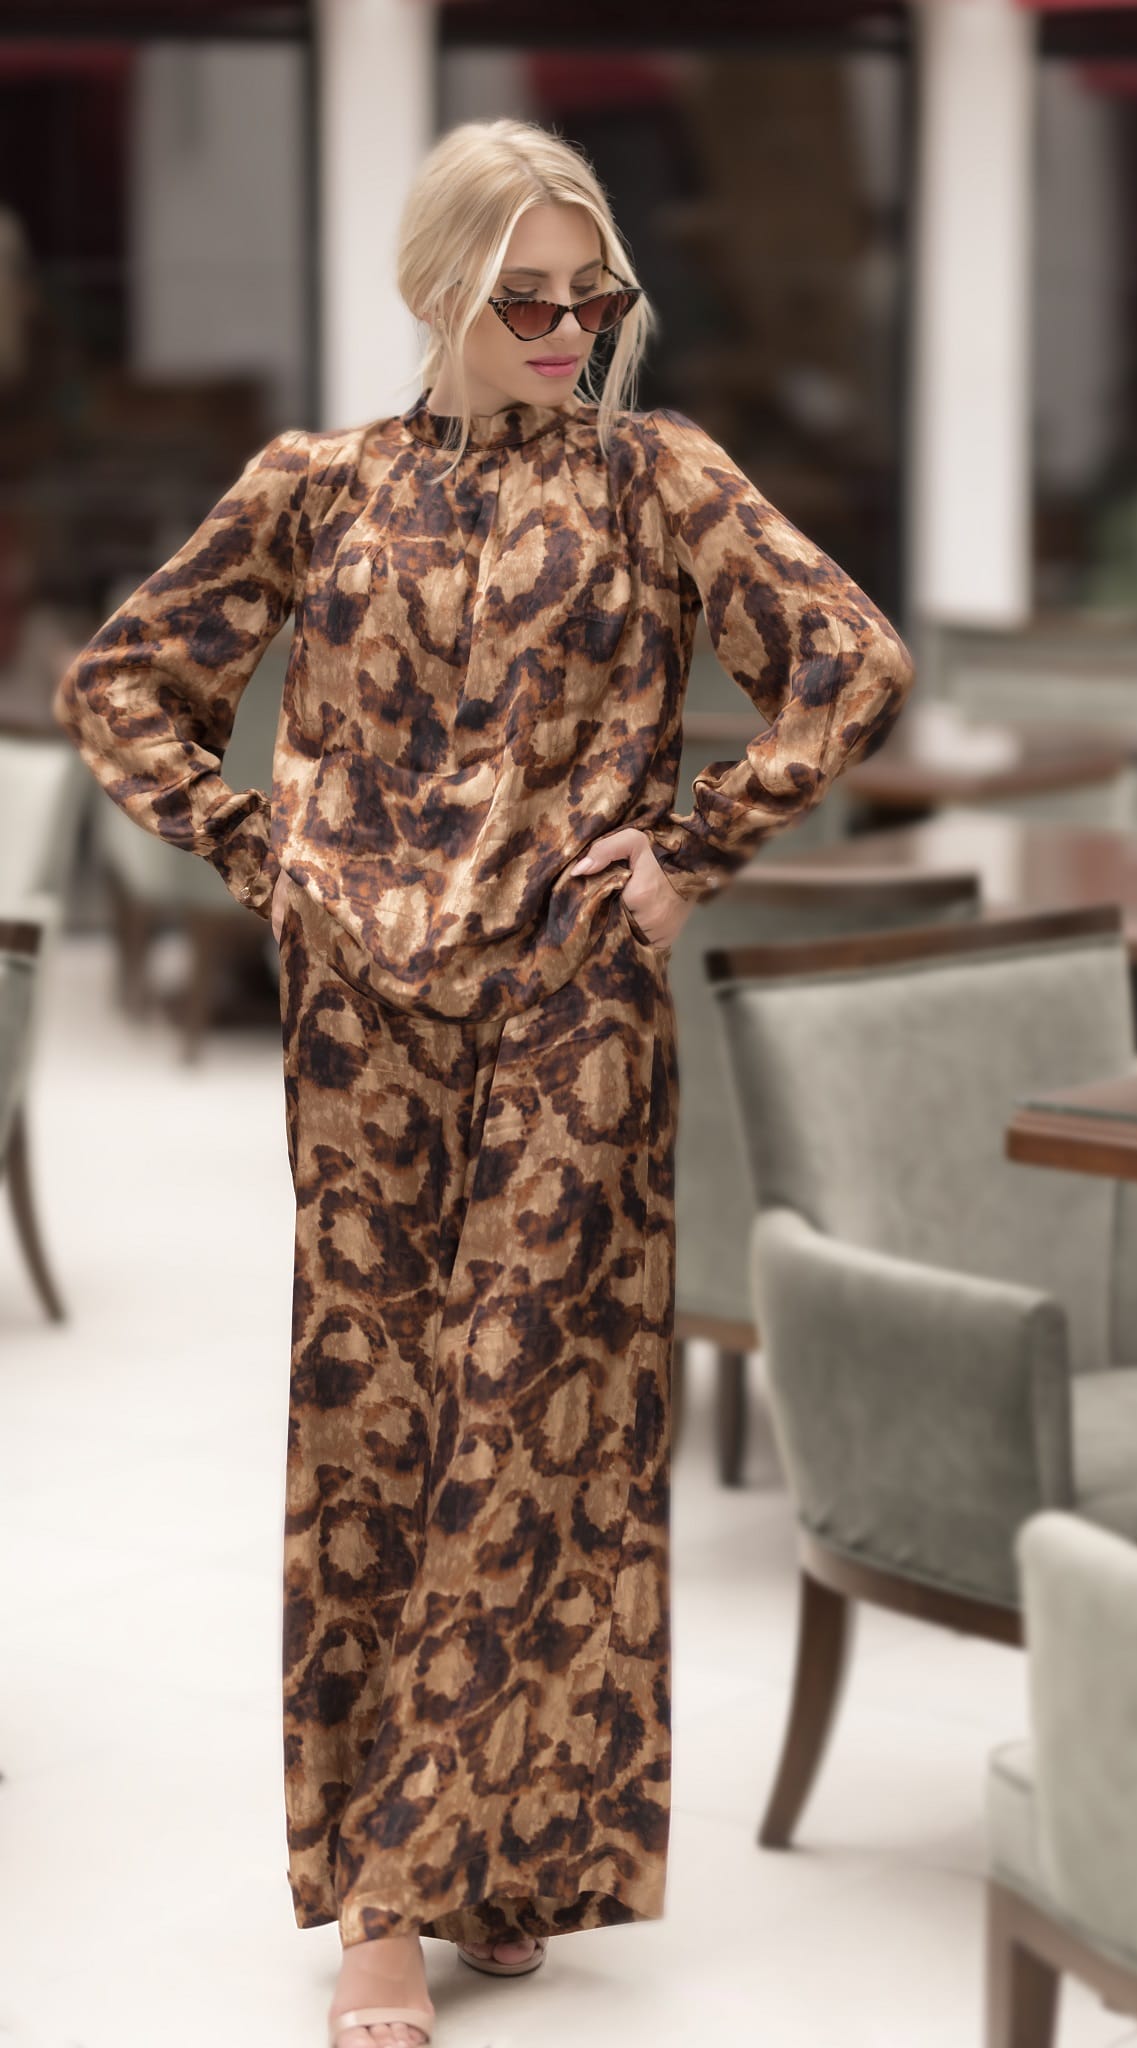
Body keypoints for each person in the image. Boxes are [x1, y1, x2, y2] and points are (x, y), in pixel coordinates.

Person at [52, 116, 916, 2048]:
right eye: (522, 297)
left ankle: (405, 1884)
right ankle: (461, 1852)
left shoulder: (656, 475)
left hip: (575, 1014)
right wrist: (256, 848)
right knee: (379, 1432)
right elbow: (118, 686)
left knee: (539, 1419)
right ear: (436, 291)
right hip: (357, 1020)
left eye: (588, 295)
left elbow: (849, 659)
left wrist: (694, 844)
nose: (562, 327)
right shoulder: (318, 487)